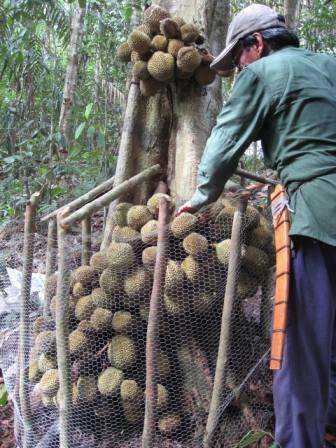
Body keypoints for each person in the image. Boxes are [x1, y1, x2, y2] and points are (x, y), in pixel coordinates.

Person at [176, 3, 336, 448]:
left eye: (240, 57)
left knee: (299, 344)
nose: (240, 67)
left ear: (257, 44)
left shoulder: (263, 72)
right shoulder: (330, 66)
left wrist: (200, 196)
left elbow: (225, 140)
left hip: (315, 214)